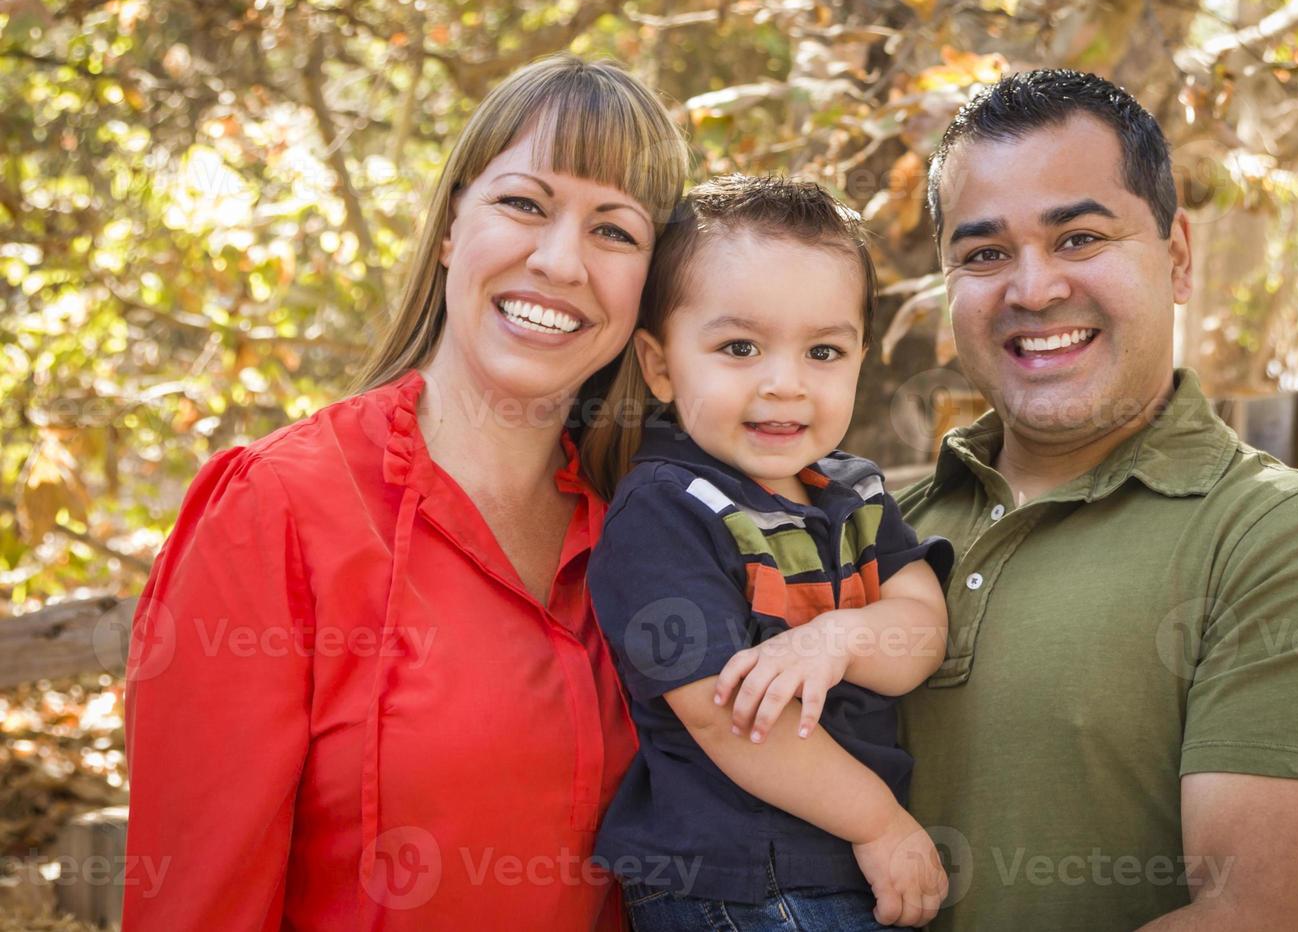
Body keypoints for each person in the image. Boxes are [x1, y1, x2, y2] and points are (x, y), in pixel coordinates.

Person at [122, 54, 688, 930]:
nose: (560, 260)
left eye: (615, 231)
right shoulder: (276, 509)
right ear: (454, 225)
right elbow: (198, 903)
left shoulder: (650, 531)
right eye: (524, 204)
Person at [898, 68, 1298, 930]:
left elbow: (1260, 918)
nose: (1033, 289)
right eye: (984, 254)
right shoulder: (879, 525)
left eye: (1079, 238)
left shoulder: (1283, 538)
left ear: (1176, 257)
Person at [579, 176, 955, 931]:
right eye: (739, 347)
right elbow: (724, 716)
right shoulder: (664, 509)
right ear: (660, 366)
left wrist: (842, 637)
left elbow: (923, 629)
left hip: (837, 865)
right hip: (741, 882)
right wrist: (879, 823)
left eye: (823, 350)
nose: (785, 384)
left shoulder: (854, 493)